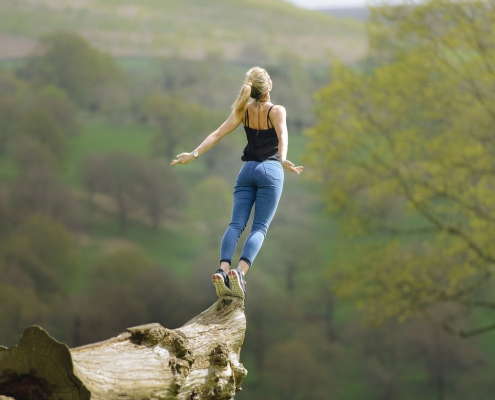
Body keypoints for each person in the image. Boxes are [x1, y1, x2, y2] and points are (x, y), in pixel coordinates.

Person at [171, 66, 303, 300]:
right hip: (270, 171)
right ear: (269, 87)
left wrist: (193, 154)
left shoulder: (244, 111)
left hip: (247, 172)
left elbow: (217, 134)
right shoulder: (277, 110)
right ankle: (239, 273)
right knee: (260, 227)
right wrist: (282, 159)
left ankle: (222, 270)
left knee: (235, 225)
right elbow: (283, 136)